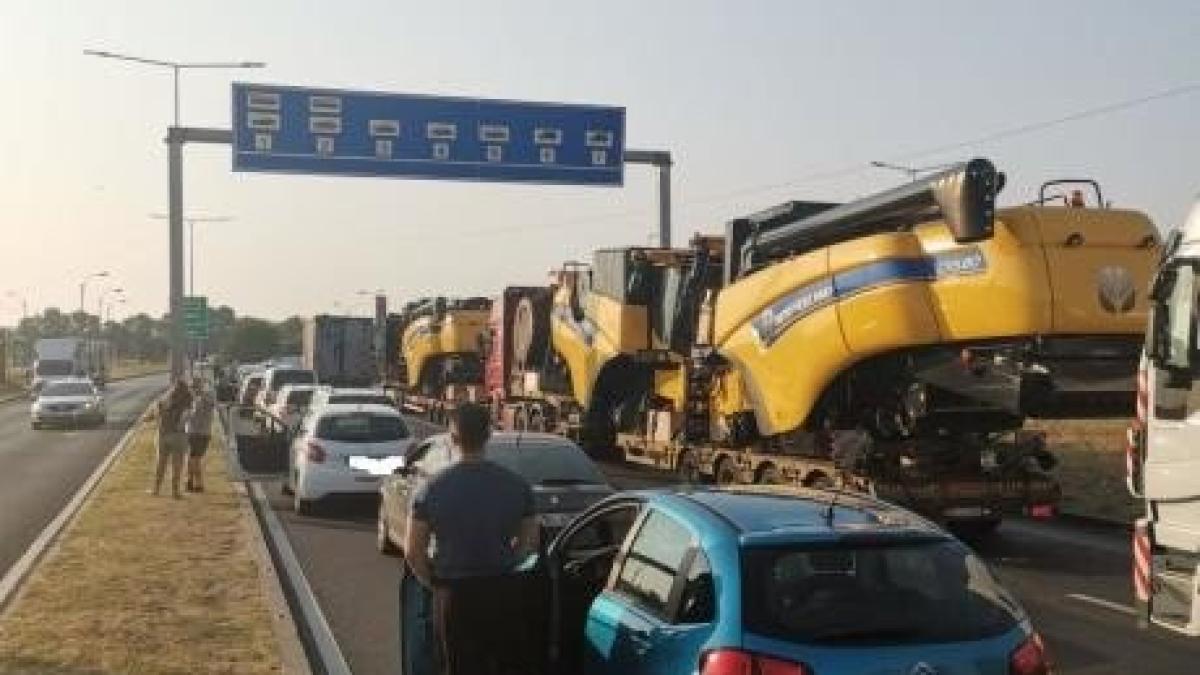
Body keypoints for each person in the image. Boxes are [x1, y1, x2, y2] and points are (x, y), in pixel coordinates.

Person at [405, 403, 539, 675]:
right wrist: (506, 561)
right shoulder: (517, 486)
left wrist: (434, 583)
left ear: (452, 438)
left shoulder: (430, 489)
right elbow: (529, 544)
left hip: (454, 596)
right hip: (502, 592)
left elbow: (413, 552)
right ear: (488, 435)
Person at [152, 379, 193, 498]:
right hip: (178, 436)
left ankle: (156, 489)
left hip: (163, 434)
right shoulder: (187, 400)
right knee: (177, 465)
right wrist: (180, 427)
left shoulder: (165, 399)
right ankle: (175, 491)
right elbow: (185, 418)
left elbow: (156, 414)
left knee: (160, 463)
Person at [184, 379, 215, 492]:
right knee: (194, 458)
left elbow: (191, 415)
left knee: (193, 458)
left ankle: (192, 481)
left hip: (195, 432)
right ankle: (195, 482)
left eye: (192, 388)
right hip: (202, 433)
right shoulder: (207, 397)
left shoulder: (196, 400)